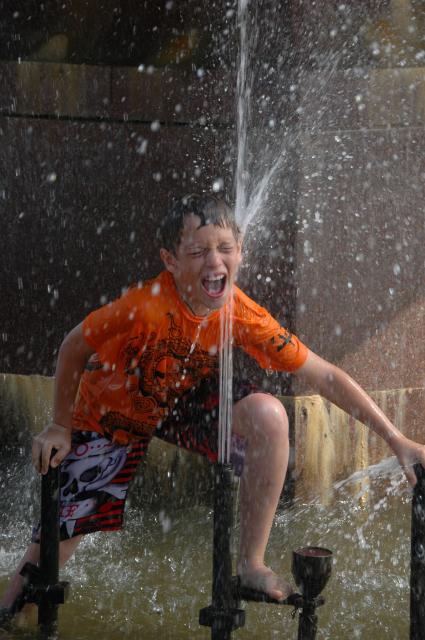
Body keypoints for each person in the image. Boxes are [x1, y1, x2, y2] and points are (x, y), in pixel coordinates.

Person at [1, 193, 425, 623]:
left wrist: (396, 439)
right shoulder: (143, 307)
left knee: (268, 416)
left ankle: (250, 565)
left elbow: (327, 376)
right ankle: (11, 611)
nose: (214, 262)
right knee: (46, 565)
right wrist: (59, 426)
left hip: (183, 399)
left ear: (242, 252)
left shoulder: (241, 313)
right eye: (198, 251)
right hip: (113, 413)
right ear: (171, 259)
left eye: (225, 249)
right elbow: (73, 347)